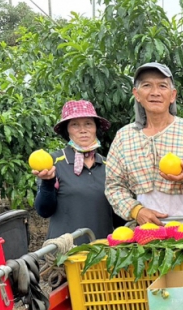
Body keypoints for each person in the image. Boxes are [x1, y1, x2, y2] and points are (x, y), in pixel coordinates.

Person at [105, 62, 183, 225]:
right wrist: (136, 210)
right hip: (145, 230)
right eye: (147, 85)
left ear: (172, 95)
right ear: (136, 94)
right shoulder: (125, 136)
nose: (155, 92)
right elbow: (113, 187)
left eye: (162, 86)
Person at [33, 100, 120, 244]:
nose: (83, 130)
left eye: (88, 124)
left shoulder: (109, 165)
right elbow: (44, 211)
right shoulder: (54, 162)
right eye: (75, 125)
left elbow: (118, 218)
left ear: (95, 128)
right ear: (67, 130)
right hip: (63, 255)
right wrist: (48, 182)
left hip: (101, 253)